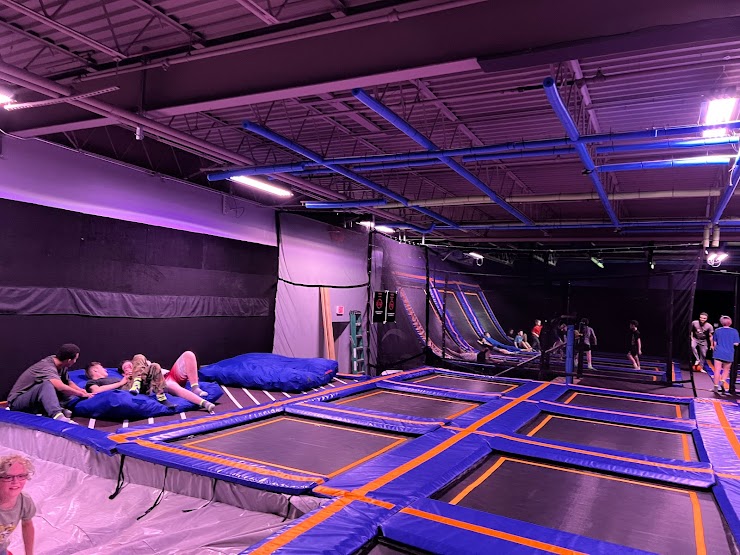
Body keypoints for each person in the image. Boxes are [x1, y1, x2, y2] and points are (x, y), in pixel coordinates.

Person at [87, 352, 215, 413]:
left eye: (131, 366)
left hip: (157, 378)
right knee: (171, 384)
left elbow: (145, 366)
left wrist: (143, 367)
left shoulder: (137, 367)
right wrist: (122, 381)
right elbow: (96, 390)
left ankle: (193, 387)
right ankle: (203, 403)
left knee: (152, 363)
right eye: (101, 368)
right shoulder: (94, 381)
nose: (105, 369)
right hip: (138, 385)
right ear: (95, 370)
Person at [7, 344, 90, 424]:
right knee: (47, 384)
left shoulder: (61, 364)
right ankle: (57, 414)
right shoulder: (47, 367)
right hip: (17, 403)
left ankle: (55, 409)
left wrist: (82, 391)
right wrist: (81, 394)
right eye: (75, 359)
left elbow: (68, 382)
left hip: (34, 401)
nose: (75, 361)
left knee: (68, 393)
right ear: (69, 360)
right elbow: (61, 387)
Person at [0, 454, 35, 555]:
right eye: (8, 477)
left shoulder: (24, 501)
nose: (15, 482)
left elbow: (27, 525)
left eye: (21, 476)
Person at [712, 315, 740, 395]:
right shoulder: (734, 331)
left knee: (717, 370)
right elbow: (736, 343)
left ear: (721, 322)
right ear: (730, 322)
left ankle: (715, 387)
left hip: (718, 352)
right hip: (729, 353)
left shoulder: (717, 330)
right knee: (726, 370)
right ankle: (722, 381)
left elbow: (715, 343)